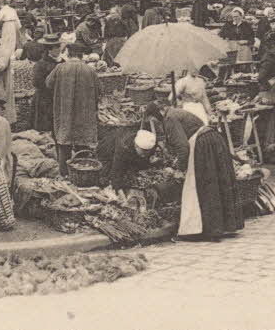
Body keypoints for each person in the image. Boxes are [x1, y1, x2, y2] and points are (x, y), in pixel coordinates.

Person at [143, 101, 243, 241]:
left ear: (159, 112)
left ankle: (207, 230)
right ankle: (226, 225)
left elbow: (183, 146)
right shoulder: (178, 112)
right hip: (214, 139)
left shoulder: (170, 118)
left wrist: (180, 169)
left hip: (203, 145)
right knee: (219, 183)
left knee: (202, 186)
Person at [46, 43, 99, 177]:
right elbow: (99, 90)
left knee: (64, 143)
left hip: (65, 111)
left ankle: (64, 174)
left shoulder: (60, 68)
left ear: (69, 54)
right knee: (83, 142)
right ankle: (84, 173)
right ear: (81, 55)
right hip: (84, 112)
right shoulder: (90, 70)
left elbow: (48, 83)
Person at [100, 125, 157, 191]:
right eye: (143, 151)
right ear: (136, 146)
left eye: (147, 151)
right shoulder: (124, 147)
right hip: (109, 146)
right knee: (107, 172)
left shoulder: (151, 142)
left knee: (139, 164)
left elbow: (148, 155)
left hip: (126, 135)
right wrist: (117, 188)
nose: (145, 154)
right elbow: (117, 170)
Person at [30, 35, 61, 134]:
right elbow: (36, 82)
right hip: (44, 98)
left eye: (59, 46)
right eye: (57, 47)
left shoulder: (62, 62)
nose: (59, 49)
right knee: (45, 126)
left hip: (58, 97)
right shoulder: (41, 64)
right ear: (49, 50)